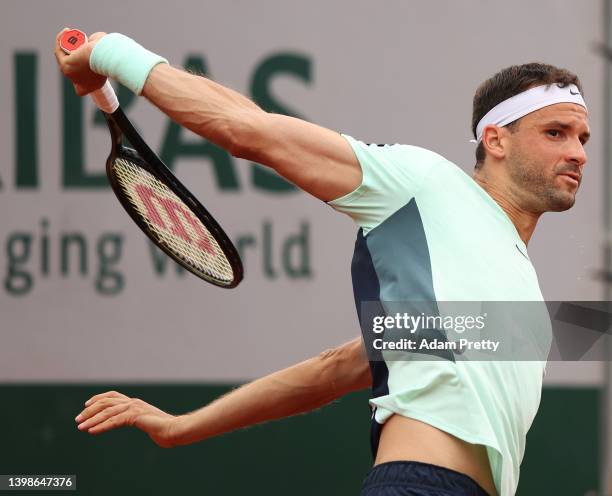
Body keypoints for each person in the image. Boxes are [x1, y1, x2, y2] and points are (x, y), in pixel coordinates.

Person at [55, 29, 589, 496]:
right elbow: (248, 130)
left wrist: (181, 427)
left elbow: (336, 369)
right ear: (495, 139)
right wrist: (111, 53)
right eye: (555, 132)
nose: (579, 152)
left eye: (583, 138)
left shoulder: (522, 301)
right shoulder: (424, 185)